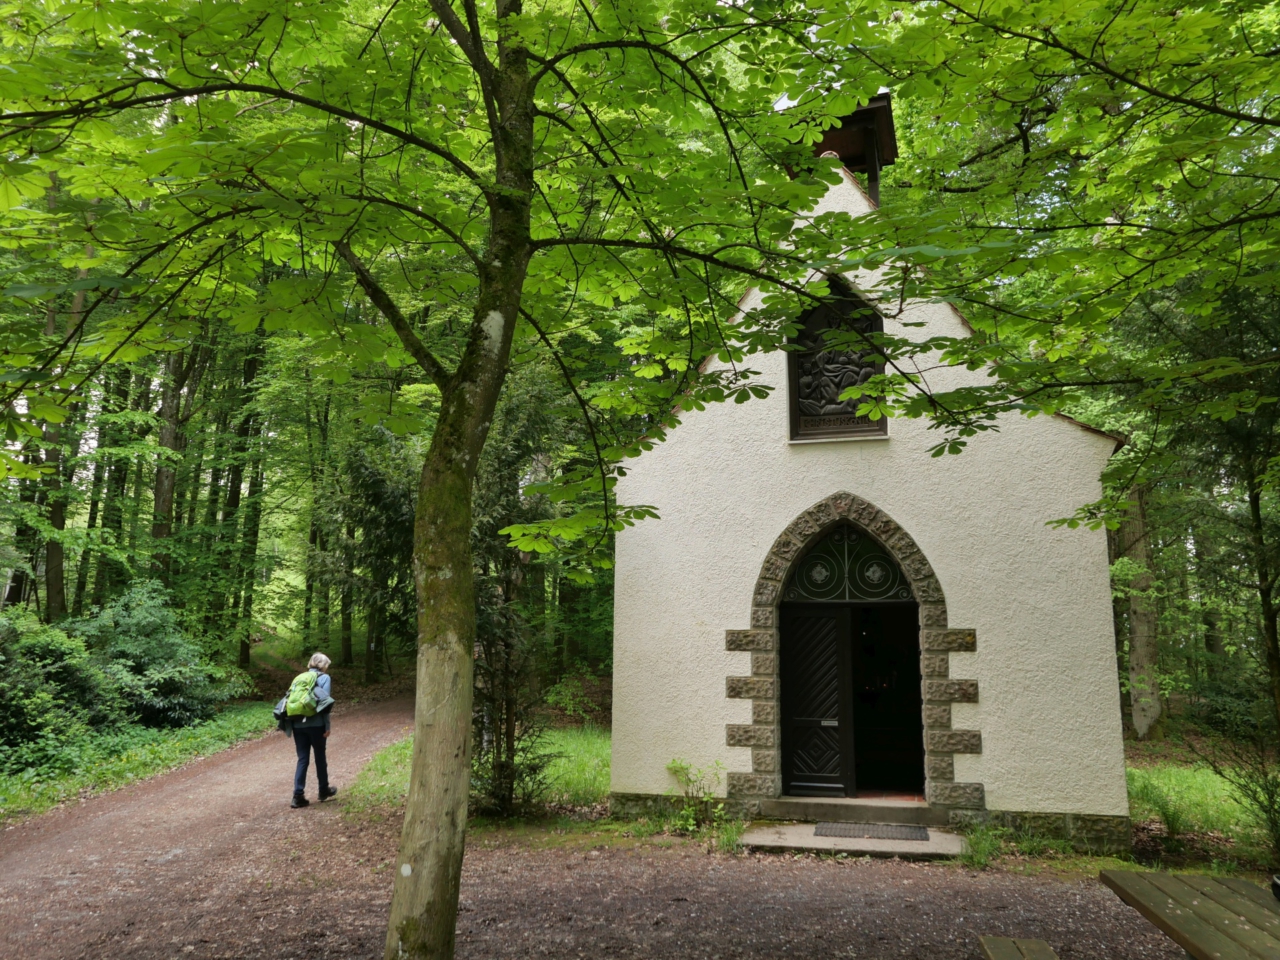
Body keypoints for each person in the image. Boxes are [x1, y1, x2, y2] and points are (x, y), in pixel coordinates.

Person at [286, 652, 337, 809]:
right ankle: (323, 791)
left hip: (297, 724)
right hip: (316, 725)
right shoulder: (324, 678)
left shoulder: (299, 678)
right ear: (323, 665)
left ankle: (298, 796)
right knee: (320, 757)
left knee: (302, 759)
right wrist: (327, 726)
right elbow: (325, 703)